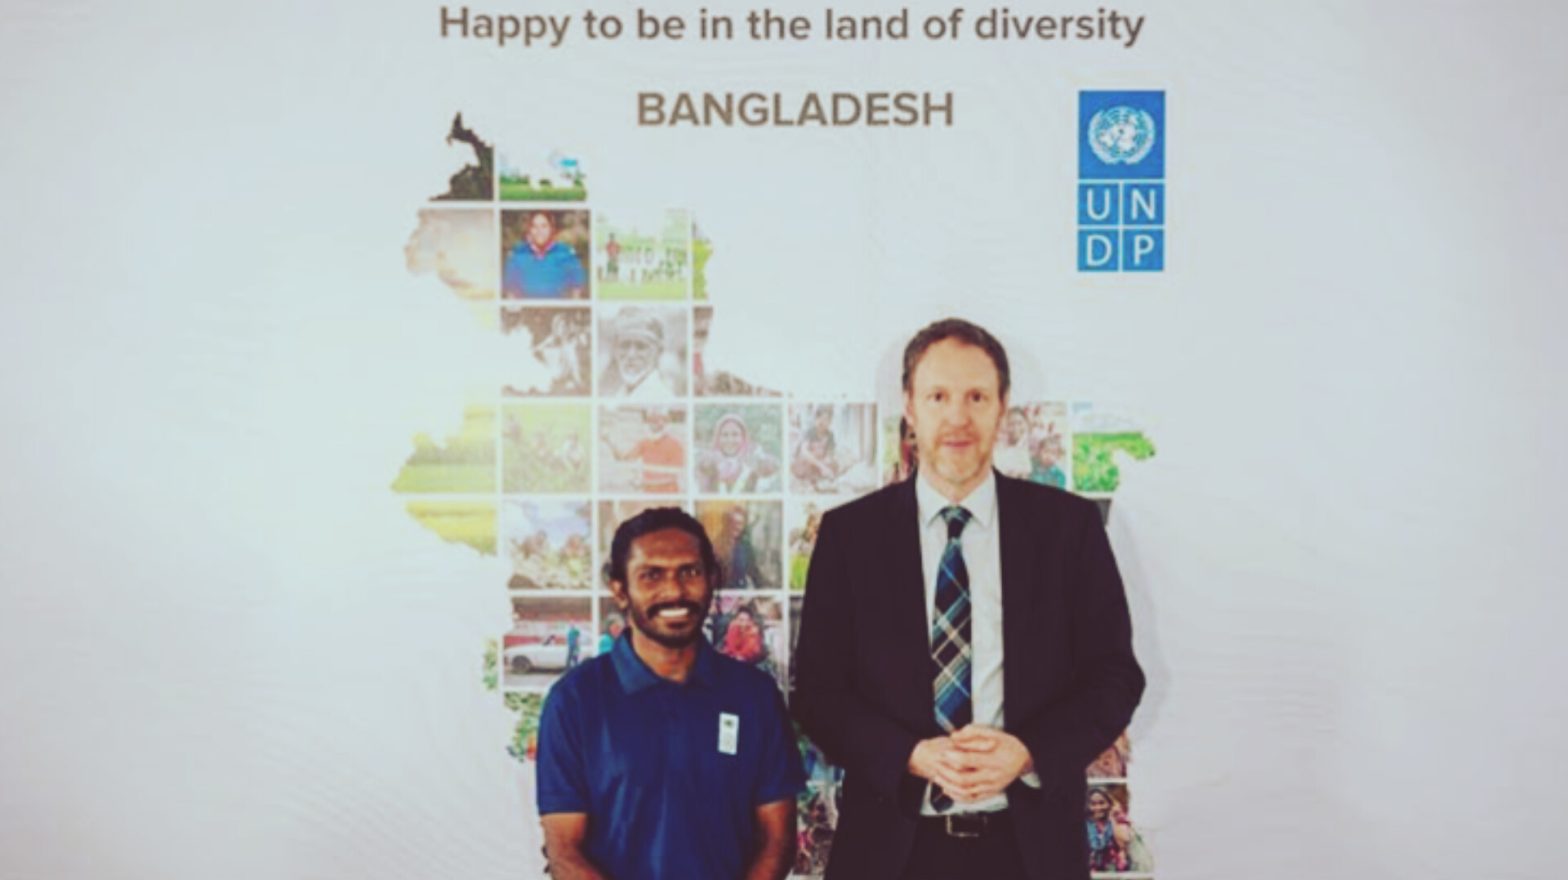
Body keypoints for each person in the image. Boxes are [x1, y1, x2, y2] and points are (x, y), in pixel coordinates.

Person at [792, 318, 1145, 880]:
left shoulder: (1068, 529)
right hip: (890, 853)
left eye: (976, 397)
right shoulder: (850, 536)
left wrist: (1027, 751)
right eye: (938, 396)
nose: (958, 417)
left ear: (1002, 407)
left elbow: (1115, 677)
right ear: (909, 407)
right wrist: (912, 755)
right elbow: (818, 693)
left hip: (1029, 853)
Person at [536, 508, 804, 880]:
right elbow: (565, 851)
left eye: (689, 572)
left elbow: (777, 841)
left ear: (712, 579)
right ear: (620, 590)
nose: (675, 591)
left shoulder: (754, 696)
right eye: (652, 575)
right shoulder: (574, 702)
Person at [599, 307, 681, 399]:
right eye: (624, 345)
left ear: (659, 352)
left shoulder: (663, 399)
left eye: (641, 346)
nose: (631, 355)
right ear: (615, 350)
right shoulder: (616, 395)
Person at [503, 211, 586, 299]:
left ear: (551, 229)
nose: (539, 231)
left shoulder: (566, 254)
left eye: (544, 226)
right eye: (534, 226)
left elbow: (576, 291)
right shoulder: (518, 254)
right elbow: (511, 293)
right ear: (529, 230)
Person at [601, 408, 685, 494]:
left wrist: (645, 483)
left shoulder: (675, 444)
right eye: (651, 420)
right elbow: (623, 458)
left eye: (658, 419)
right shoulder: (645, 443)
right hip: (648, 493)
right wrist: (609, 441)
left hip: (668, 494)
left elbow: (674, 473)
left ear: (665, 422)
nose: (654, 422)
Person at [697, 414, 780, 494]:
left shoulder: (753, 460)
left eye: (735, 434)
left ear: (743, 437)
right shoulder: (708, 462)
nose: (730, 440)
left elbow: (773, 469)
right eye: (725, 435)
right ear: (718, 437)